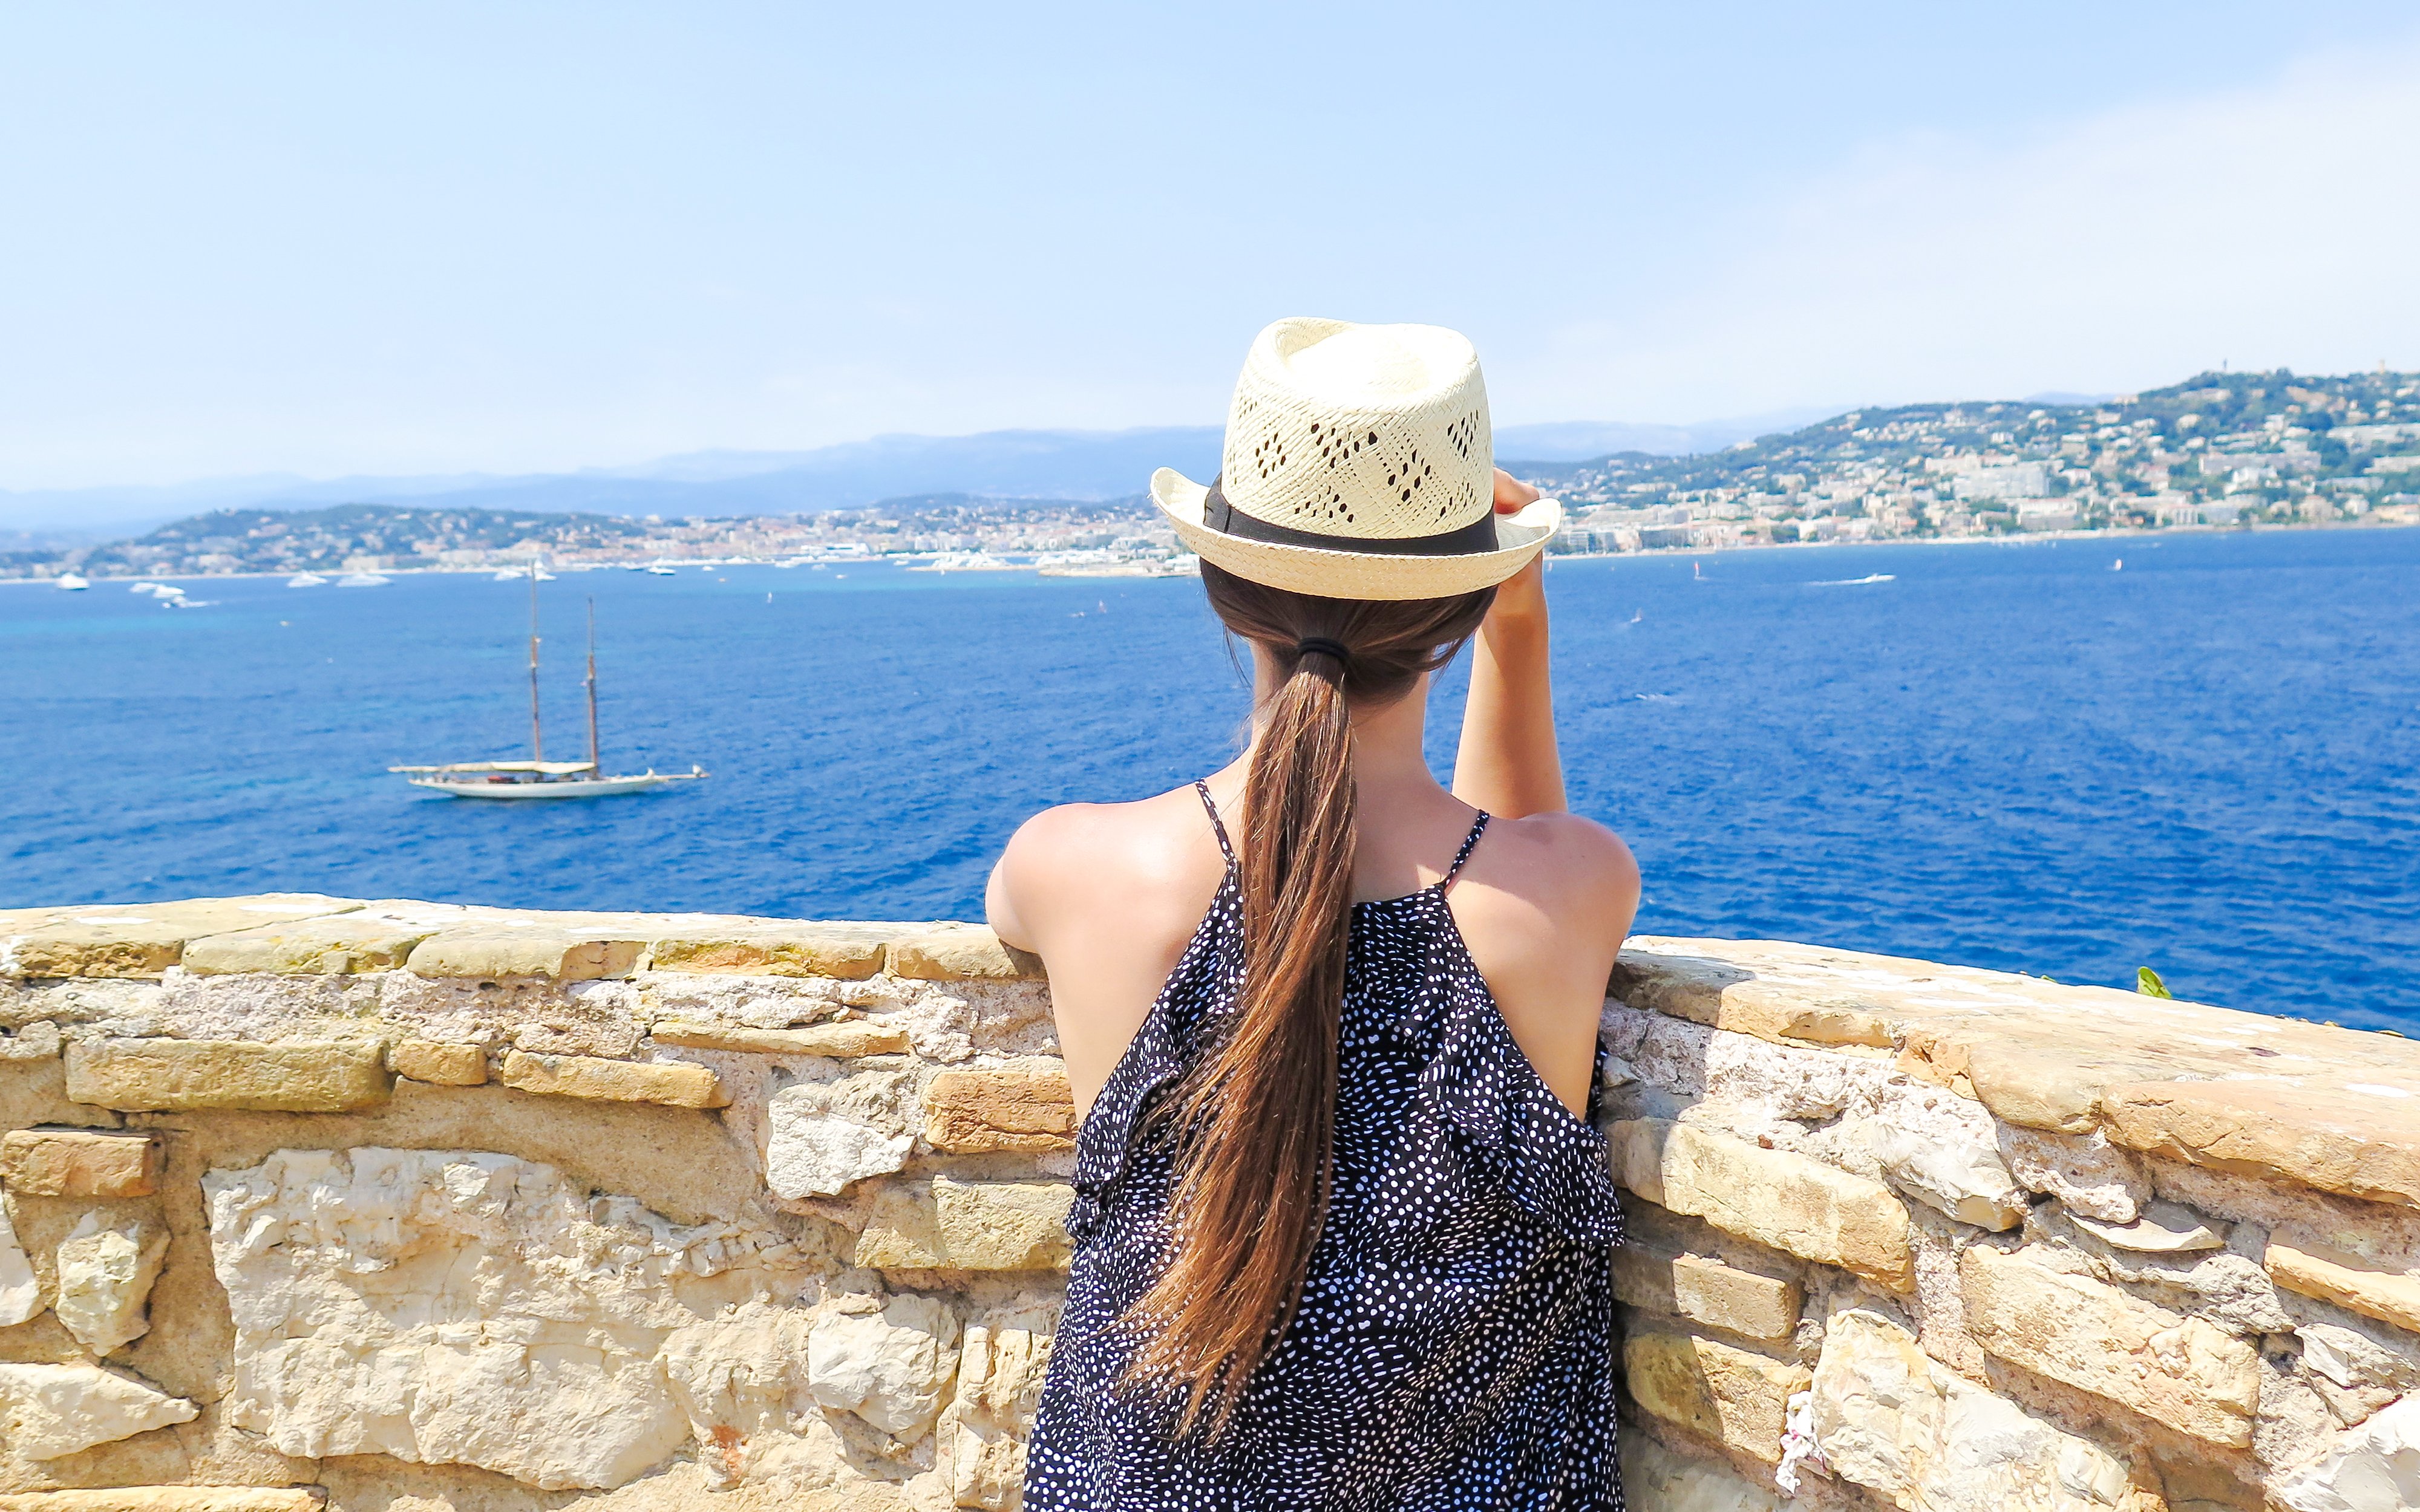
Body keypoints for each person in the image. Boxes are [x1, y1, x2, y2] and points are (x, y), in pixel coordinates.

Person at [987, 318, 1641, 1510]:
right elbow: (1505, 856)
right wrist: (1519, 622)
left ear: (1223, 587)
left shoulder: (1072, 867)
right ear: (1460, 599)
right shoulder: (1568, 887)